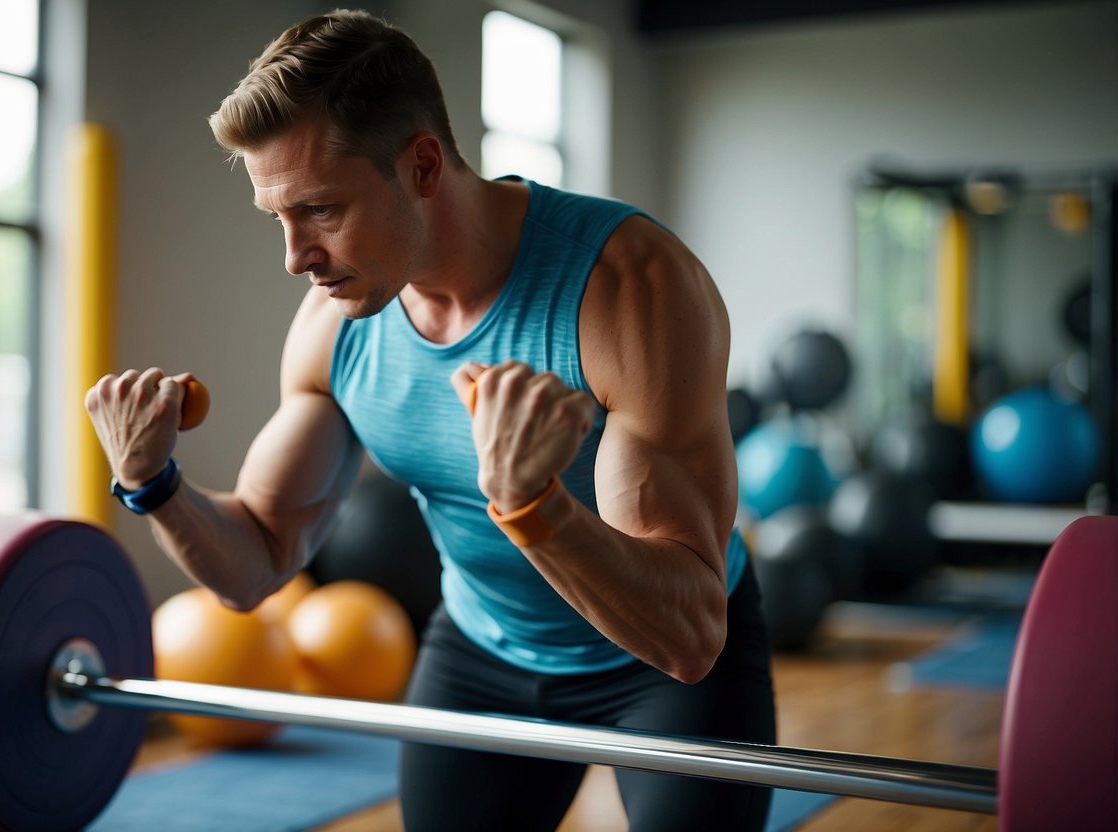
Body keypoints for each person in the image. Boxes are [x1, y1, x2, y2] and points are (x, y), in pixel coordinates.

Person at [85, 9, 776, 831]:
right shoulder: (333, 327)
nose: (294, 257)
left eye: (321, 210)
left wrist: (536, 508)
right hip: (482, 651)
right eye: (278, 218)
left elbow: (689, 634)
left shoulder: (626, 289)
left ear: (420, 165)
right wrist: (152, 483)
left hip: (662, 675)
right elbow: (257, 564)